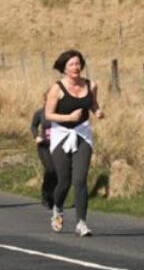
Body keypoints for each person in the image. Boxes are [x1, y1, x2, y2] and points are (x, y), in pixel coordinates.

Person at [44, 50, 104, 237]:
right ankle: (58, 207)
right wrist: (68, 117)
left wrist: (98, 111)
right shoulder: (57, 88)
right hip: (61, 134)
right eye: (71, 64)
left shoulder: (90, 84)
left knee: (80, 179)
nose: (76, 67)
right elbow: (48, 114)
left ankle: (81, 222)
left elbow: (92, 103)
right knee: (64, 180)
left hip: (82, 133)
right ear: (64, 68)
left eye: (78, 64)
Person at [29, 105, 57, 209]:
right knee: (50, 169)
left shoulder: (60, 112)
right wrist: (36, 136)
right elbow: (33, 126)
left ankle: (54, 196)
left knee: (57, 172)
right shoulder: (40, 112)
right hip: (44, 146)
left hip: (57, 146)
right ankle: (46, 194)